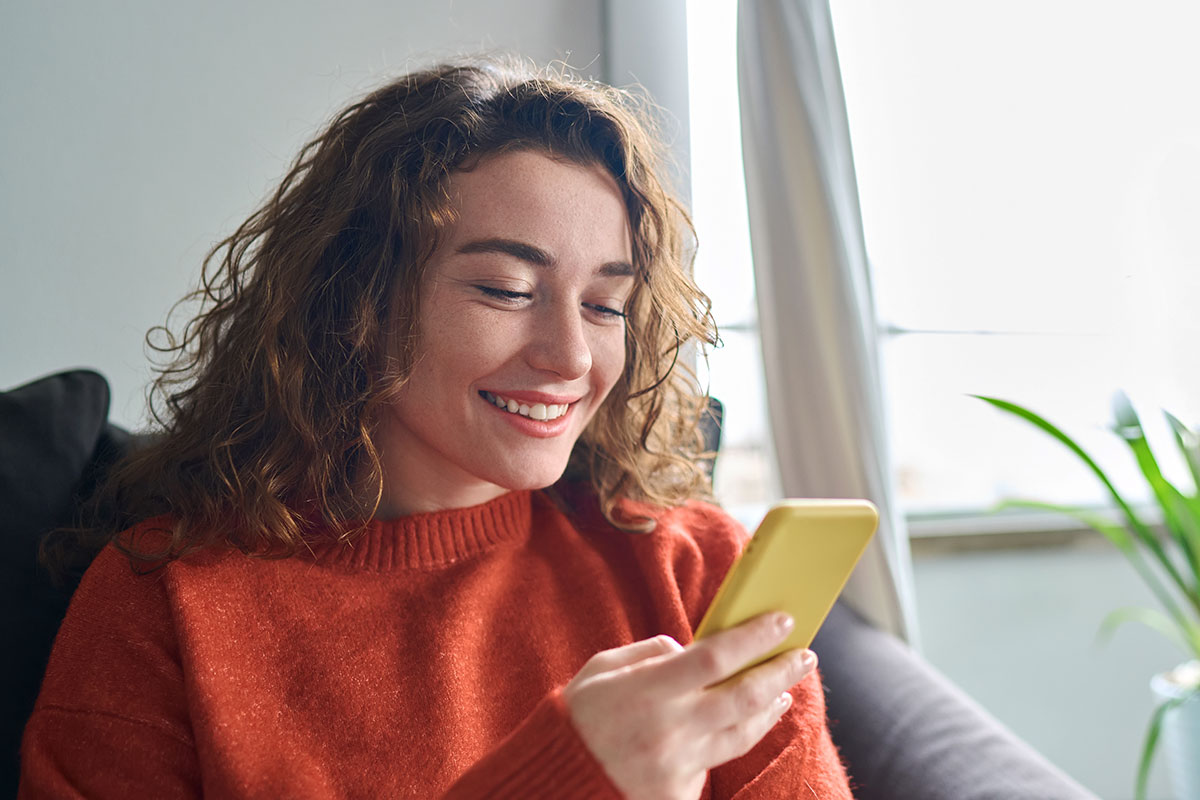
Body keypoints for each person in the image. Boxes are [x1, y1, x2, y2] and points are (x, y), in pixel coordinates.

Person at [21, 57, 853, 798]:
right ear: (358, 301)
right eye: (505, 290)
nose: (570, 357)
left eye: (606, 306)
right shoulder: (161, 603)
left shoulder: (689, 570)